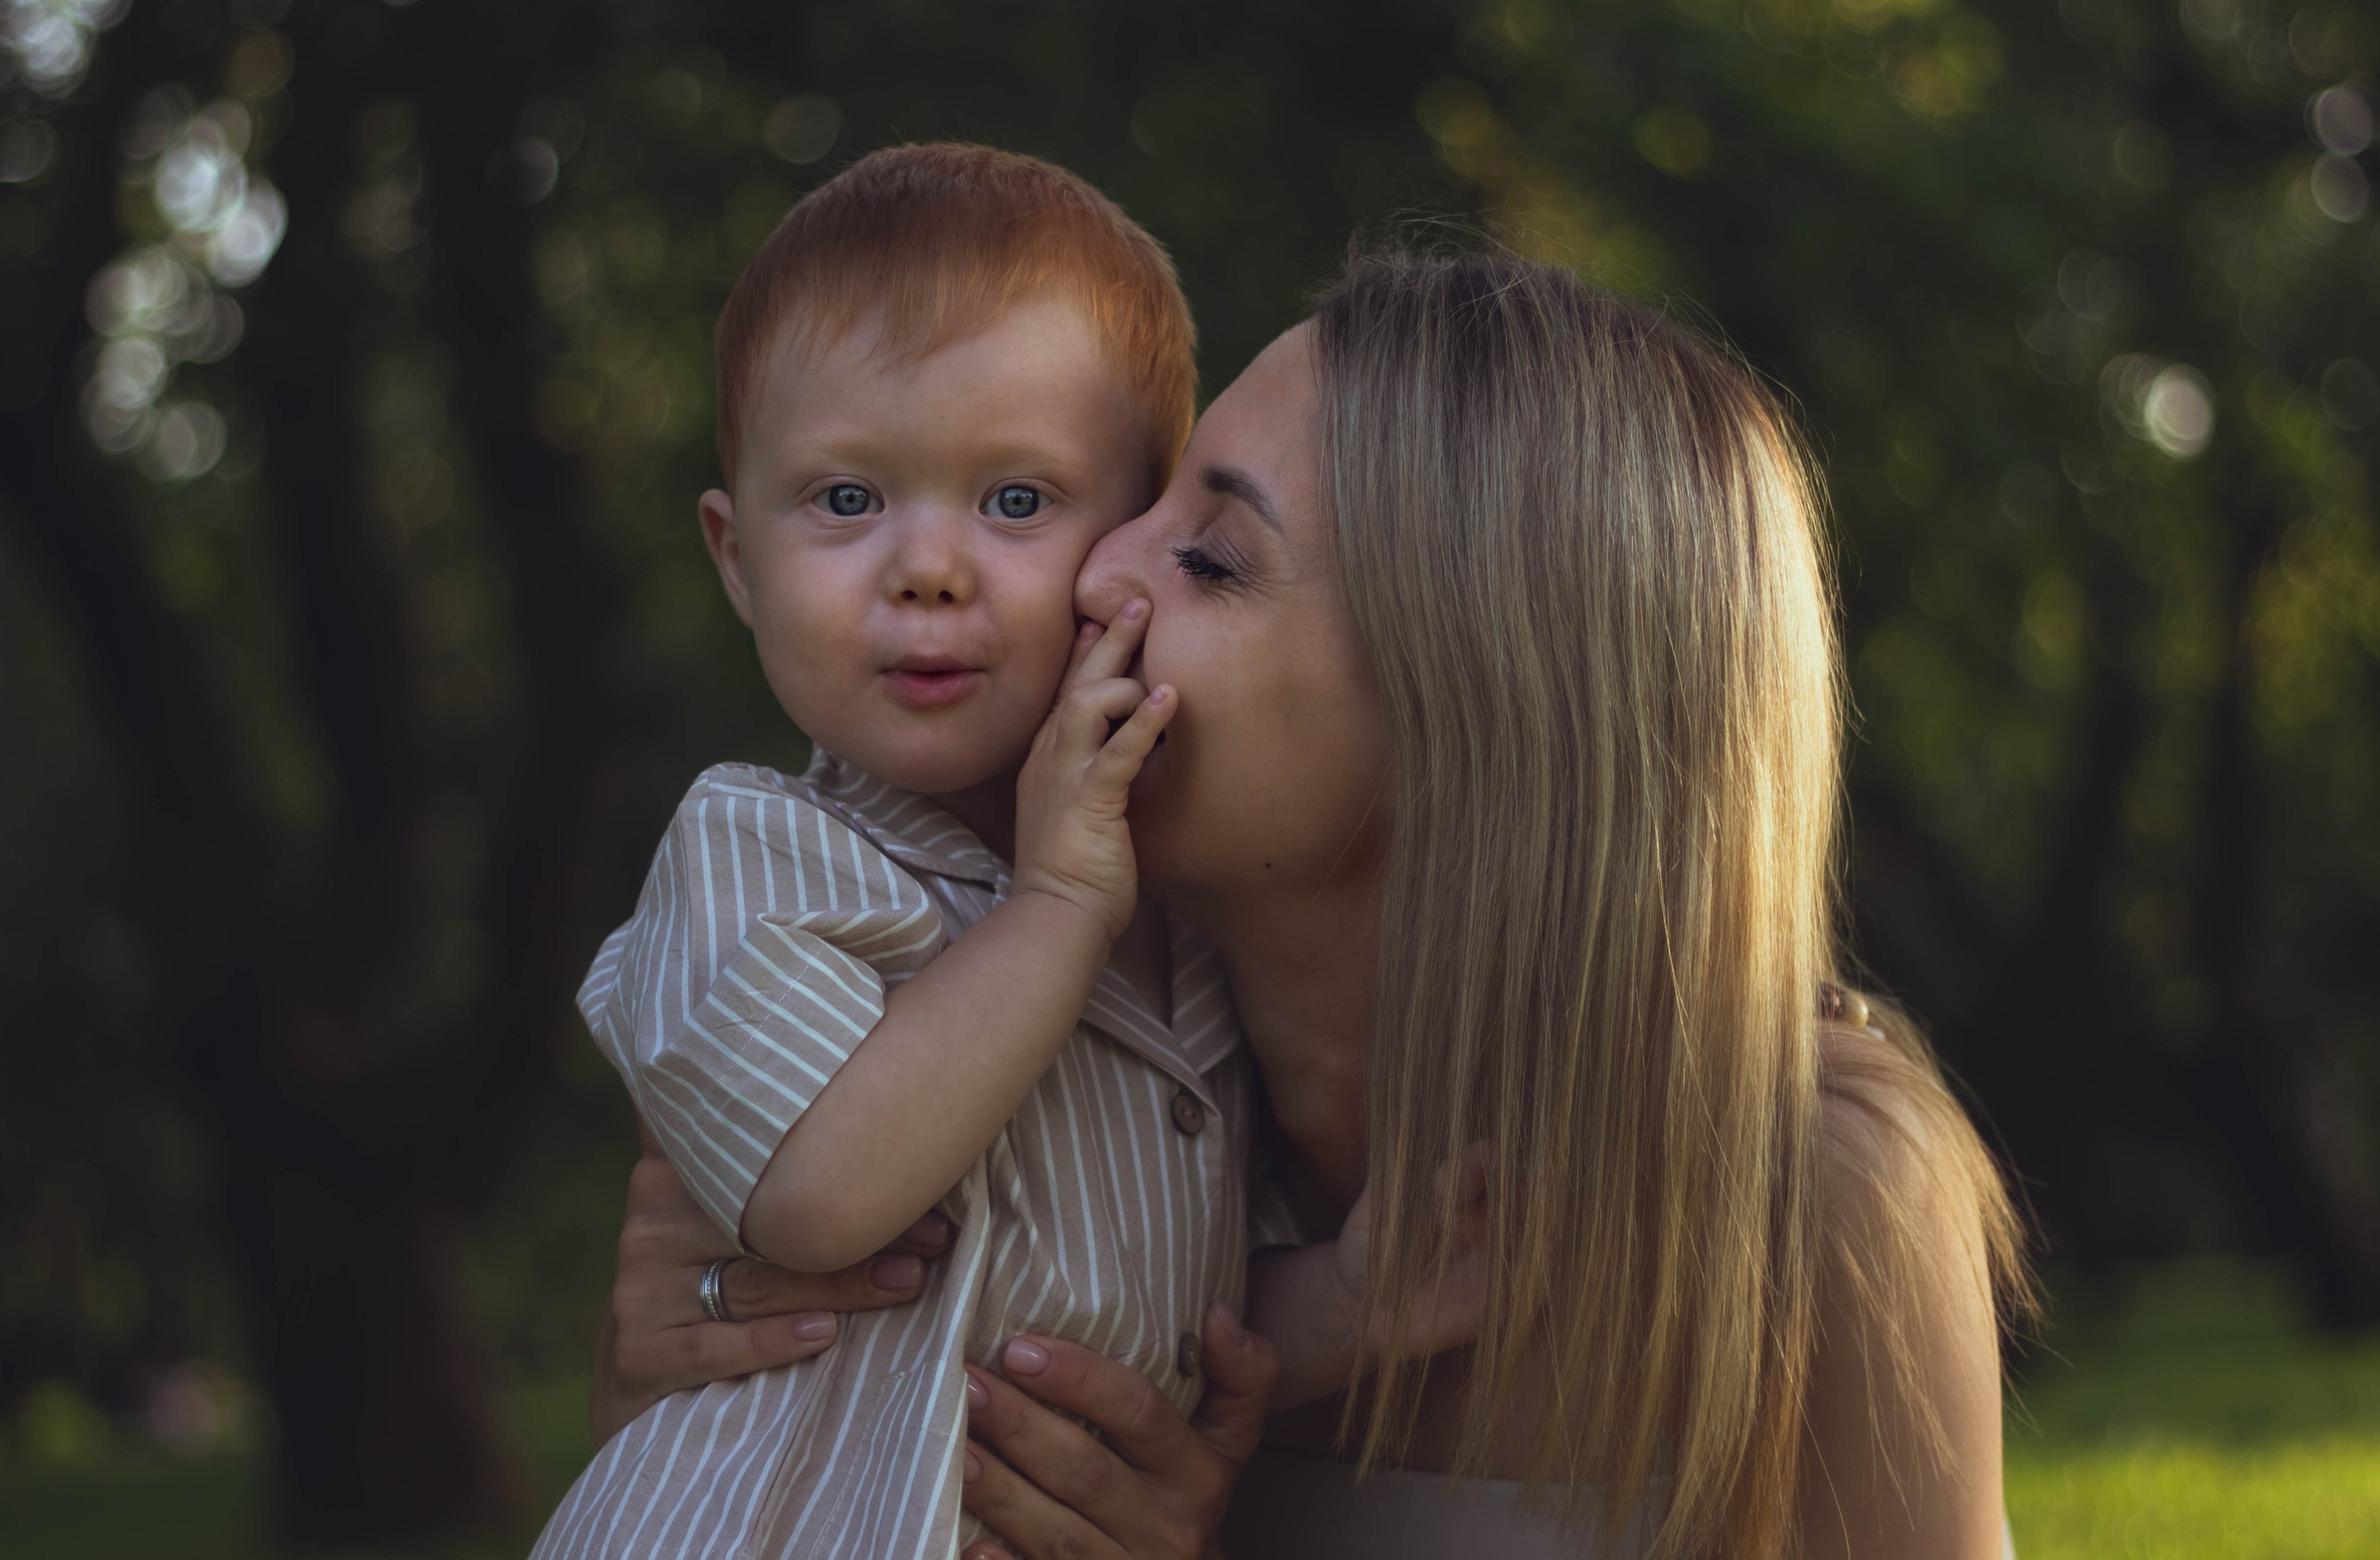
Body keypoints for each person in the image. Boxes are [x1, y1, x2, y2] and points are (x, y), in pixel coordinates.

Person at [589, 249, 2030, 1559]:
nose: (1092, 569)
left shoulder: (1808, 1203)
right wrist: (675, 1363)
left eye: (1210, 558)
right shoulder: (983, 1064)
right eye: (1145, 502)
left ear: (1477, 724)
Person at [533, 145, 1404, 1560]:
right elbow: (819, 1195)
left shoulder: (1181, 936)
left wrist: (1357, 1300)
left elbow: (1171, 1321)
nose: (927, 568)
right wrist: (1055, 903)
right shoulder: (758, 853)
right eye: (845, 500)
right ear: (736, 559)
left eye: (1015, 502)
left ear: (1131, 540)